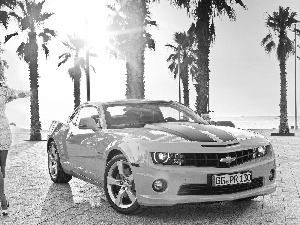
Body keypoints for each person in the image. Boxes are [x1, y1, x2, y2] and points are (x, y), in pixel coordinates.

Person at [0, 62, 31, 216]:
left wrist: (30, 92)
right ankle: (2, 200)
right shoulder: (4, 92)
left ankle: (2, 195)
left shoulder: (3, 91)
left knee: (2, 169)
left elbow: (19, 94)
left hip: (3, 132)